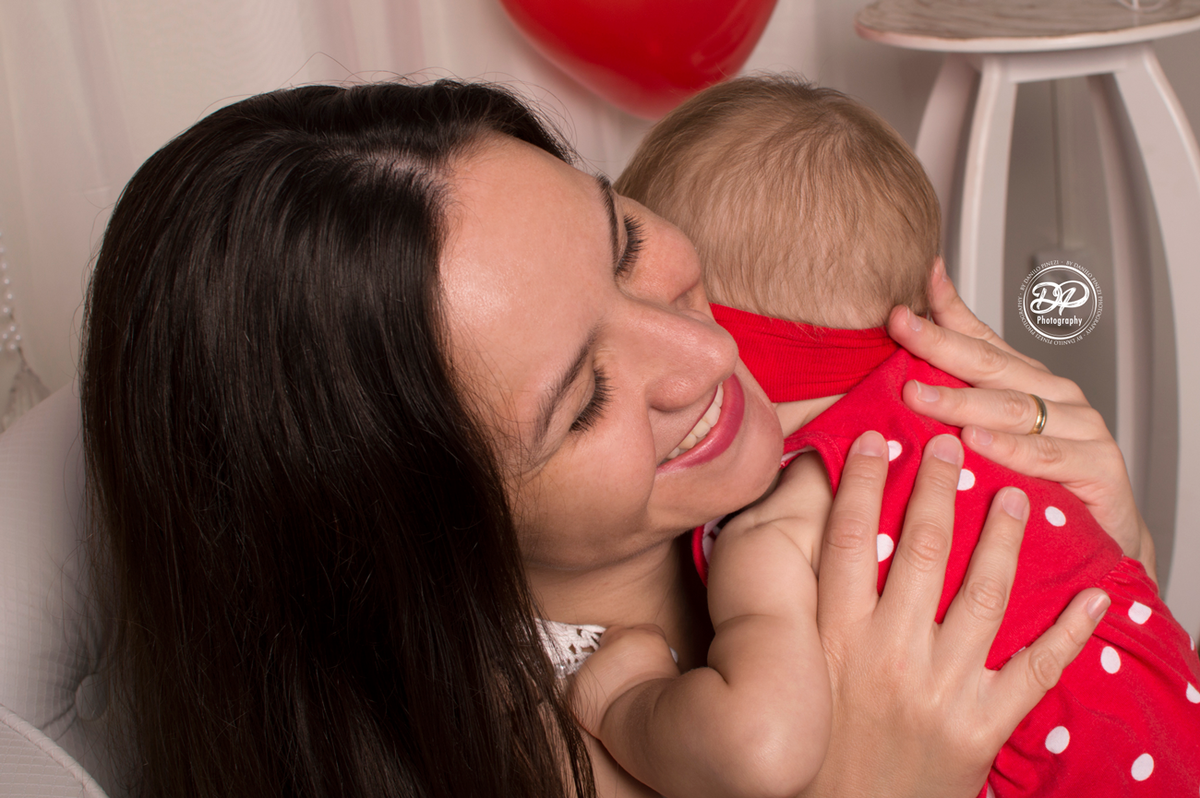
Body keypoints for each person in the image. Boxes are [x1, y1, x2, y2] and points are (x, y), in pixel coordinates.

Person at [80, 79, 1140, 798]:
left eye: (624, 242)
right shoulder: (532, 756)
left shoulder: (837, 495)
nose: (704, 354)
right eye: (583, 400)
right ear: (413, 533)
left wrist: (1109, 565)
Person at [576, 74, 1198, 797]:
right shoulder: (983, 417)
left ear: (713, 346)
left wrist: (628, 701)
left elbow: (758, 743)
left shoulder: (779, 523)